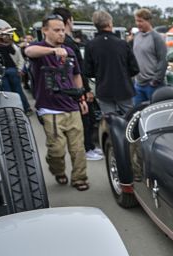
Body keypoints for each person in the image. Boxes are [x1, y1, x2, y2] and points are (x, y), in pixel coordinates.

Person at [25, 14, 89, 191]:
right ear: (45, 31)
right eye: (56, 30)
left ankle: (79, 178)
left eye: (63, 30)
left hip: (71, 106)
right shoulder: (38, 48)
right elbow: (29, 52)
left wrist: (81, 98)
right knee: (57, 150)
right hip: (50, 109)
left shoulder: (69, 51)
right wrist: (53, 51)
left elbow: (76, 75)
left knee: (78, 148)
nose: (61, 33)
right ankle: (58, 170)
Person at [53, 7, 102, 161]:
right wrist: (85, 91)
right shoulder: (68, 44)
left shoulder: (66, 43)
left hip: (74, 87)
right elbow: (77, 71)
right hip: (76, 89)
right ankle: (87, 149)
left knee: (88, 118)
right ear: (69, 21)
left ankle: (90, 147)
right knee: (85, 119)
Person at [84, 11, 139, 116]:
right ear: (110, 23)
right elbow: (134, 69)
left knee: (110, 121)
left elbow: (88, 71)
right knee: (131, 119)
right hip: (123, 88)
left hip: (104, 90)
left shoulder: (90, 46)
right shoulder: (122, 44)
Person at [132, 8, 167, 104]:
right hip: (138, 84)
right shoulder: (137, 36)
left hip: (152, 85)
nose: (138, 23)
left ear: (148, 21)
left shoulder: (157, 38)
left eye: (140, 21)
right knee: (137, 114)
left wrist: (155, 80)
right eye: (136, 21)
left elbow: (163, 60)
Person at [0, 19, 31, 114]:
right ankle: (16, 110)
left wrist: (20, 69)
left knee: (16, 91)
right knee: (8, 92)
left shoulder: (11, 45)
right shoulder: (9, 44)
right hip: (2, 72)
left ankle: (24, 108)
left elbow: (19, 57)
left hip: (11, 70)